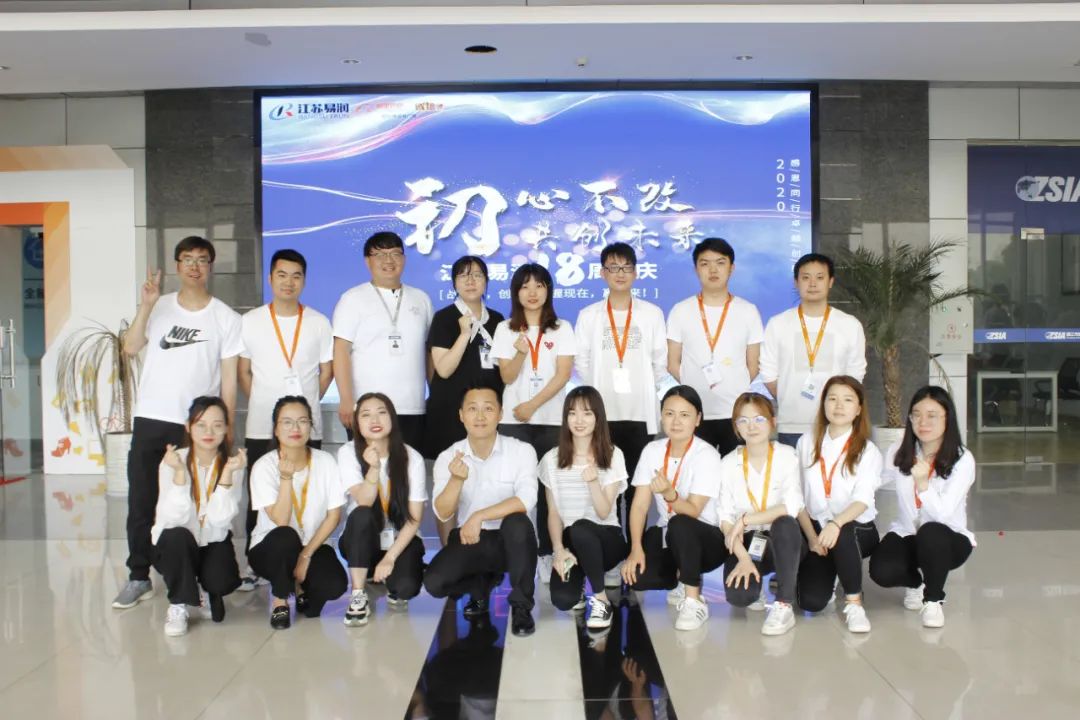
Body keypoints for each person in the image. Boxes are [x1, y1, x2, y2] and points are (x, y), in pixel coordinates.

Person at [113, 236, 244, 610]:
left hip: (197, 428)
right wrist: (146, 305)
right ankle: (139, 576)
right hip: (152, 418)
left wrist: (226, 431)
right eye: (187, 259)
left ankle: (195, 574)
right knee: (142, 501)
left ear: (210, 266)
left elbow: (229, 381)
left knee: (194, 501)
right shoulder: (159, 306)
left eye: (202, 259)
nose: (194, 266)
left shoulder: (226, 317)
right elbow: (130, 347)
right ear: (177, 266)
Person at [238, 248, 333, 588]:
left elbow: (326, 372)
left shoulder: (319, 322)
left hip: (305, 429)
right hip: (261, 426)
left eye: (296, 276)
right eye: (282, 275)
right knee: (260, 495)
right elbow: (244, 372)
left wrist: (300, 412)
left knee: (307, 493)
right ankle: (255, 563)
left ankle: (305, 556)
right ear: (270, 278)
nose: (289, 282)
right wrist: (266, 407)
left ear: (304, 281)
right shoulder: (250, 321)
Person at [424, 384, 539, 637]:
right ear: (461, 415)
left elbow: (526, 499)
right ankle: (481, 586)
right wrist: (456, 480)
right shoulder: (448, 457)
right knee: (434, 583)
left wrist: (479, 515)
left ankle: (521, 607)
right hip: (471, 539)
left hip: (512, 542)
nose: (480, 416)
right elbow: (443, 513)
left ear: (500, 414)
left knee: (518, 523)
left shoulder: (521, 451)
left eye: (488, 409)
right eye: (472, 409)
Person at [492, 263, 575, 582]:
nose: (532, 292)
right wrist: (520, 354)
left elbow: (563, 374)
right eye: (525, 286)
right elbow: (506, 376)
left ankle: (547, 553)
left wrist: (532, 405)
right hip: (514, 422)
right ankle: (517, 553)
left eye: (539, 285)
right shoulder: (505, 329)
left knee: (548, 490)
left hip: (551, 421)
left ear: (548, 291)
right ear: (515, 292)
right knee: (515, 487)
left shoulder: (562, 328)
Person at [870, 386, 975, 629]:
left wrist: (923, 485)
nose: (922, 422)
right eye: (916, 415)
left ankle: (933, 599)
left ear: (947, 418)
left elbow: (943, 514)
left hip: (948, 539)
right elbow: (875, 480)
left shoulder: (962, 459)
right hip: (908, 532)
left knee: (931, 531)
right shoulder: (900, 451)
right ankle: (916, 583)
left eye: (932, 415)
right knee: (881, 571)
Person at [622, 386, 724, 631]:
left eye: (685, 415)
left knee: (681, 523)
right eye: (669, 414)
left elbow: (694, 511)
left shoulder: (706, 455)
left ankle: (694, 601)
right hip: (668, 533)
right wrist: (635, 549)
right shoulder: (652, 451)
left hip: (707, 539)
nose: (676, 421)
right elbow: (639, 506)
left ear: (698, 419)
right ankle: (680, 575)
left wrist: (670, 494)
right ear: (661, 417)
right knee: (638, 578)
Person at [575, 242, 668, 496]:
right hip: (603, 411)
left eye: (626, 267)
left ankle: (636, 525)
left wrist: (643, 385)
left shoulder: (652, 313)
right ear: (602, 273)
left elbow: (660, 360)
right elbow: (581, 361)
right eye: (613, 267)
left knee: (637, 486)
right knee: (608, 485)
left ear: (636, 273)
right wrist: (598, 389)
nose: (620, 273)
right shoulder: (589, 315)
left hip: (640, 410)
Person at [248, 396, 347, 629]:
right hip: (271, 548)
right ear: (276, 429)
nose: (295, 428)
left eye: (302, 421)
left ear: (311, 426)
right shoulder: (264, 466)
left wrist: (306, 555)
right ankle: (280, 599)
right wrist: (286, 478)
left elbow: (334, 516)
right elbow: (281, 520)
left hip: (312, 544)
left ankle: (301, 587)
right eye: (287, 422)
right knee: (286, 536)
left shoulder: (325, 462)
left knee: (334, 585)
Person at [151, 396, 246, 637]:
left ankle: (204, 587)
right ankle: (178, 603)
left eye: (217, 425)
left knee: (221, 581)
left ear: (226, 429)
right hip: (176, 543)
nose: (209, 432)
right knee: (177, 537)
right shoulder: (173, 461)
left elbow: (220, 520)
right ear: (188, 427)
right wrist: (180, 474)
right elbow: (173, 519)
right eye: (201, 425)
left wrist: (227, 475)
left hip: (212, 539)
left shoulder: (233, 464)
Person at [795, 376, 882, 633]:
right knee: (810, 602)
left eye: (848, 400)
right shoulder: (806, 442)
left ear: (859, 409)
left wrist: (836, 523)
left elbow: (863, 500)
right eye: (832, 399)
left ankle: (854, 603)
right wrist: (812, 537)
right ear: (823, 404)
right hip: (817, 530)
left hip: (856, 529)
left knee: (843, 533)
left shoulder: (867, 450)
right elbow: (796, 496)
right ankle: (836, 568)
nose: (839, 406)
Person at [332, 231, 433, 449]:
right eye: (380, 255)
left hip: (412, 407)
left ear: (404, 258)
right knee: (370, 466)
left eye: (395, 254)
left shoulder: (421, 299)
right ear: (367, 261)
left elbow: (428, 352)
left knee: (410, 467)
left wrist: (434, 395)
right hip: (368, 409)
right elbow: (340, 351)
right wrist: (346, 399)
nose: (389, 260)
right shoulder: (352, 299)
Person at [540, 386, 628, 630]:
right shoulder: (551, 459)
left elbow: (603, 512)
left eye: (587, 413)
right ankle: (579, 582)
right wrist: (558, 550)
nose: (579, 420)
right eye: (572, 413)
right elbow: (554, 513)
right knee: (563, 600)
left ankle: (601, 600)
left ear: (598, 417)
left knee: (581, 527)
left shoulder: (613, 455)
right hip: (572, 544)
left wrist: (593, 483)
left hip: (607, 539)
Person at [666, 237, 764, 455]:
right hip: (695, 414)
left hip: (736, 413)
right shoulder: (681, 311)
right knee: (697, 472)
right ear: (696, 269)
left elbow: (753, 364)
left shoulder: (748, 311)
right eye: (705, 263)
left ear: (731, 268)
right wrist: (693, 385)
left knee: (736, 471)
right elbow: (672, 363)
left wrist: (733, 386)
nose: (713, 270)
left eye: (720, 263)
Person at [718, 392, 806, 636]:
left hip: (784, 542)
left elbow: (791, 505)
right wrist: (743, 558)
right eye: (743, 420)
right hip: (747, 542)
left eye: (759, 419)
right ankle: (755, 585)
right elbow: (725, 519)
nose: (751, 426)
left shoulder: (787, 456)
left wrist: (746, 519)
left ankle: (783, 605)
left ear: (772, 422)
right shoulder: (728, 463)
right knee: (739, 596)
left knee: (785, 523)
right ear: (736, 427)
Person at [338, 393, 427, 626]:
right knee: (361, 514)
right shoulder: (348, 452)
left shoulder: (412, 458)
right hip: (361, 540)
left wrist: (390, 557)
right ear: (357, 423)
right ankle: (358, 594)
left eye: (381, 412)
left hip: (399, 539)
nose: (374, 420)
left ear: (392, 418)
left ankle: (390, 575)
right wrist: (374, 469)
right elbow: (364, 501)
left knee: (405, 588)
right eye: (366, 415)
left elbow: (414, 519)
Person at [759, 252, 867, 447]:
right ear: (796, 282)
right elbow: (768, 373)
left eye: (820, 277)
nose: (813, 284)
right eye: (806, 278)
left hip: (836, 424)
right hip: (792, 424)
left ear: (830, 282)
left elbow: (855, 374)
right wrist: (788, 396)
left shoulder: (850, 325)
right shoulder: (778, 324)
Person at [425, 255, 505, 462]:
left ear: (486, 281)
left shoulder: (497, 320)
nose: (471, 281)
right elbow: (443, 370)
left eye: (477, 275)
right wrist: (464, 334)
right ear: (454, 283)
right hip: (449, 411)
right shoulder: (444, 318)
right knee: (451, 469)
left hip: (485, 412)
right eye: (463, 276)